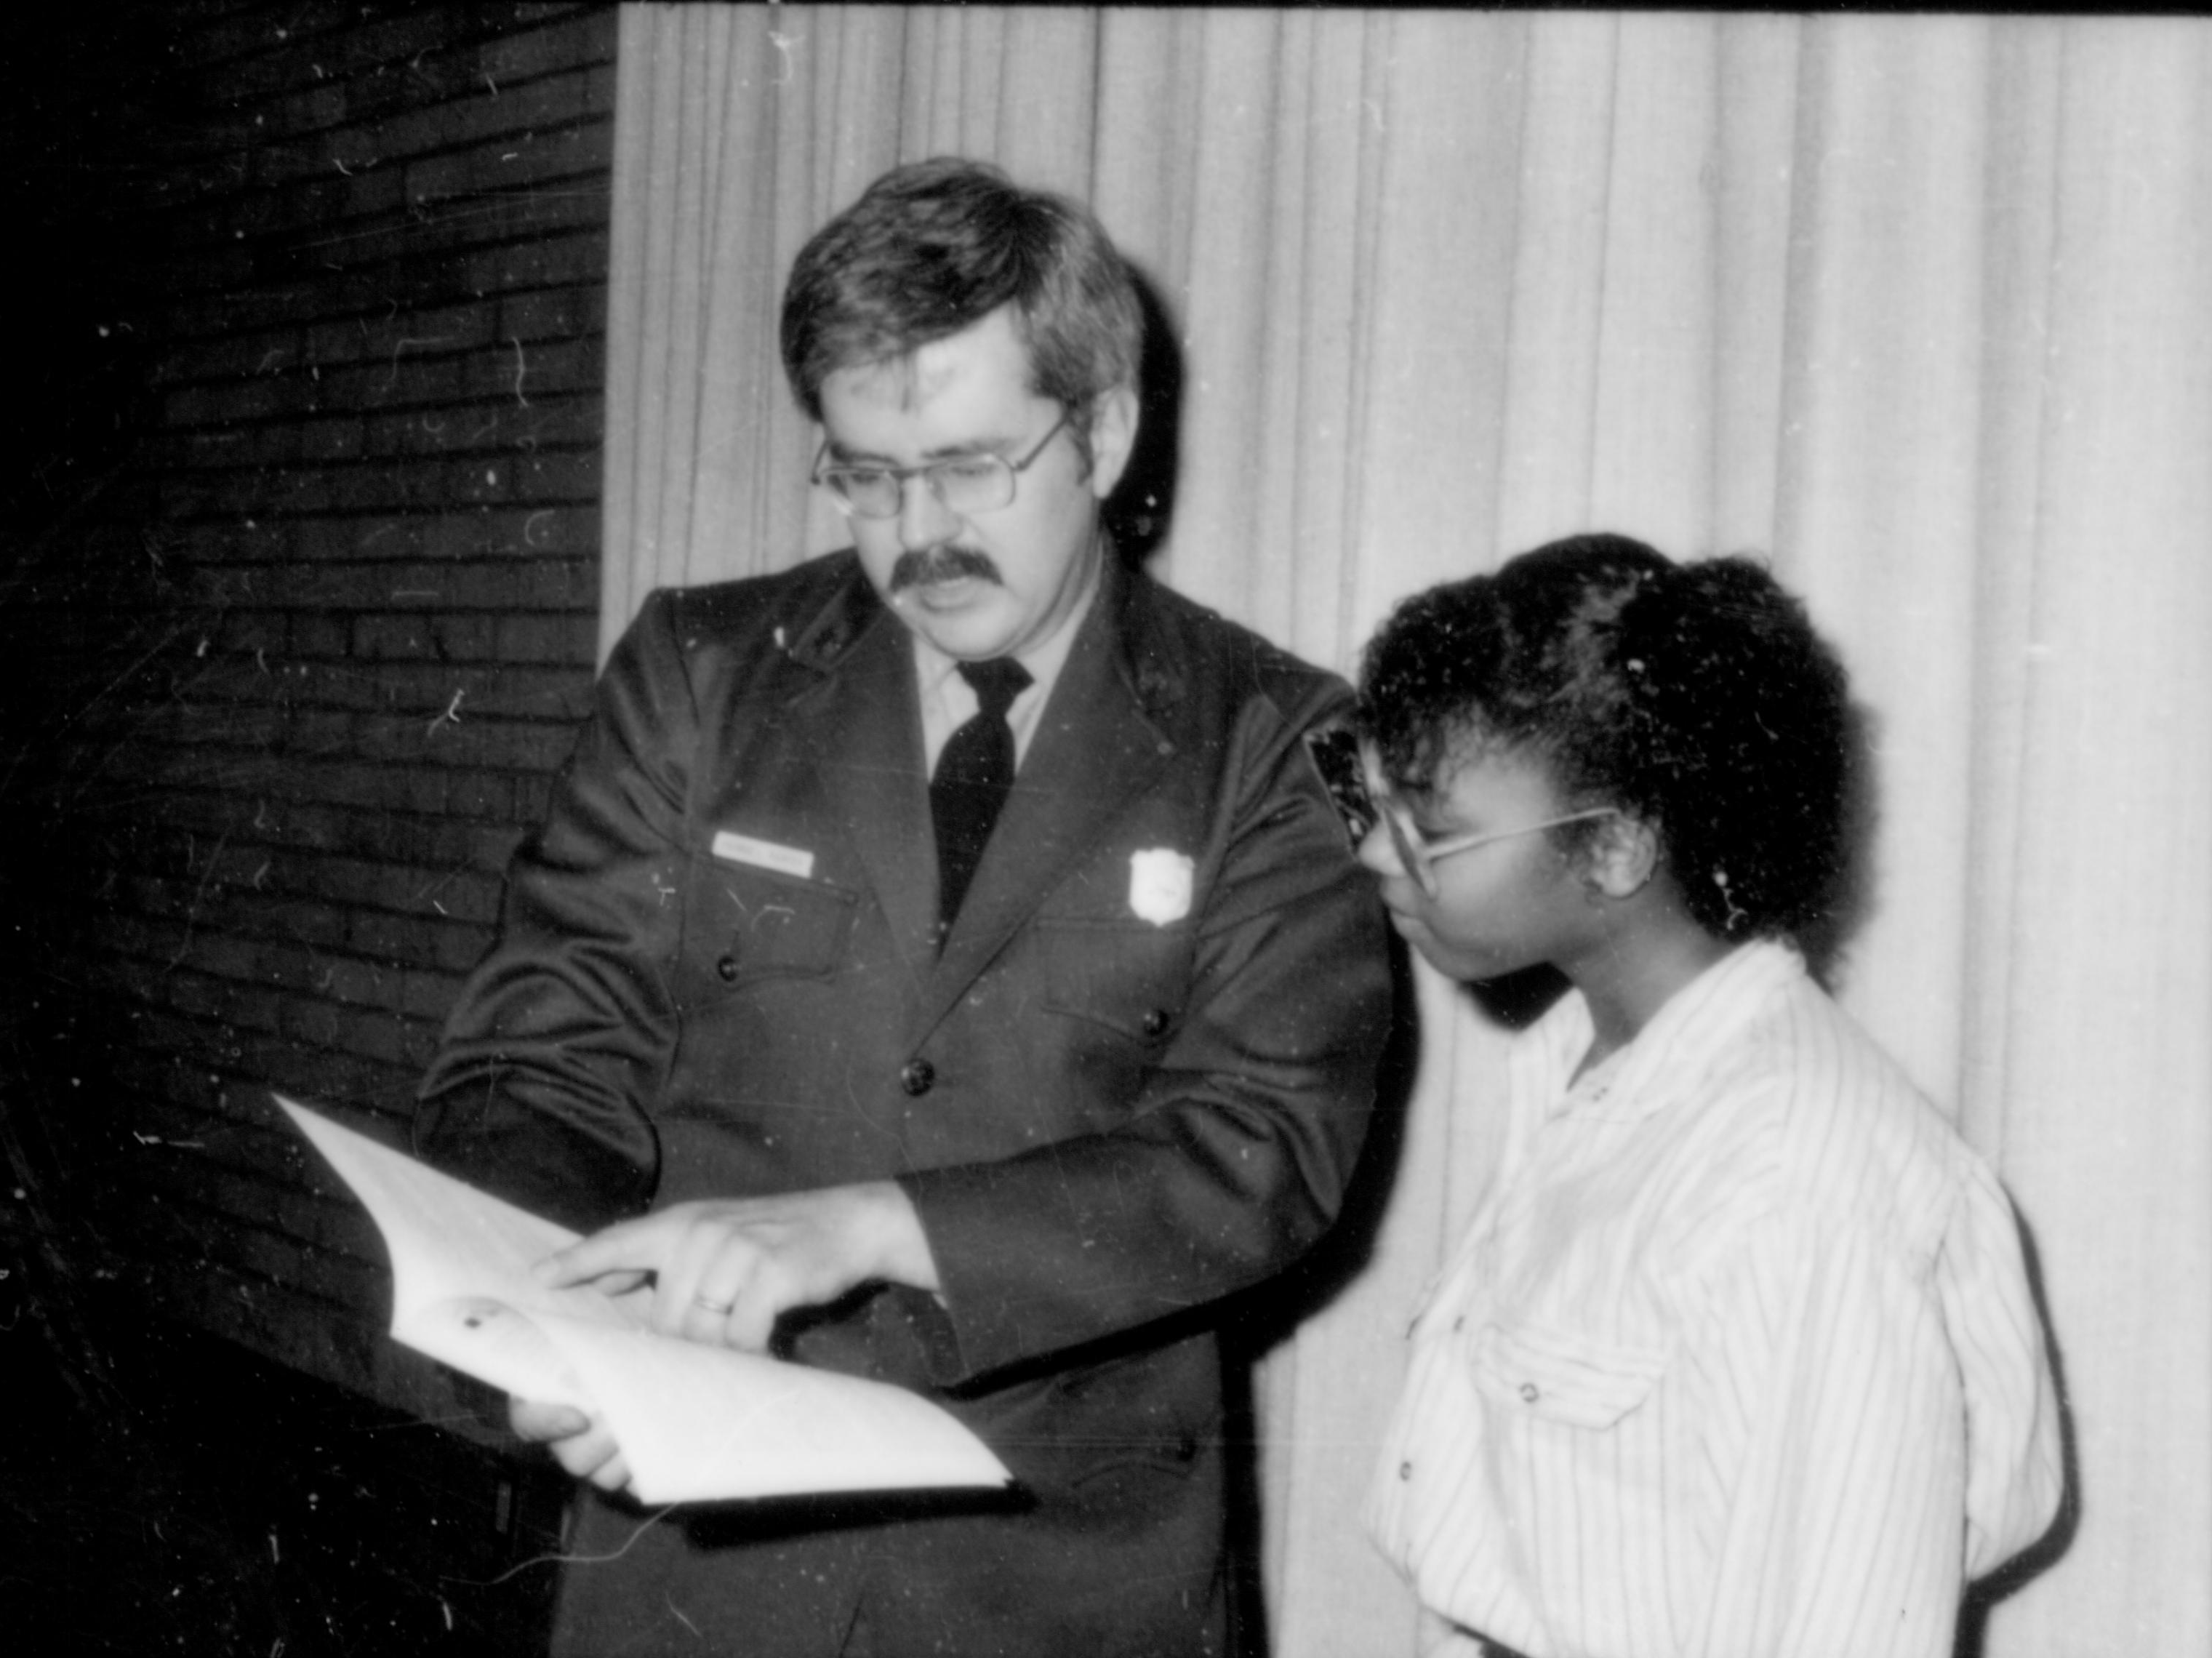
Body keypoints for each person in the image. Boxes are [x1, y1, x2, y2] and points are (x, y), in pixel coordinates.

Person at [412, 157, 1393, 1657]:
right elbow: (539, 1054)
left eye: (971, 465)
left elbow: (1255, 1154)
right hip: (696, 1577)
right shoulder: (701, 675)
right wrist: (569, 1319)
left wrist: (873, 1229)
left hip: (1060, 1588)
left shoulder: (1267, 736)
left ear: (1109, 429)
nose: (918, 534)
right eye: (867, 474)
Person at [1354, 534, 2064, 1658]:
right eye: (1374, 801)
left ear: (1618, 848)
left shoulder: (1796, 1174)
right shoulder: (1589, 1075)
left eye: (1431, 832)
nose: (1380, 859)